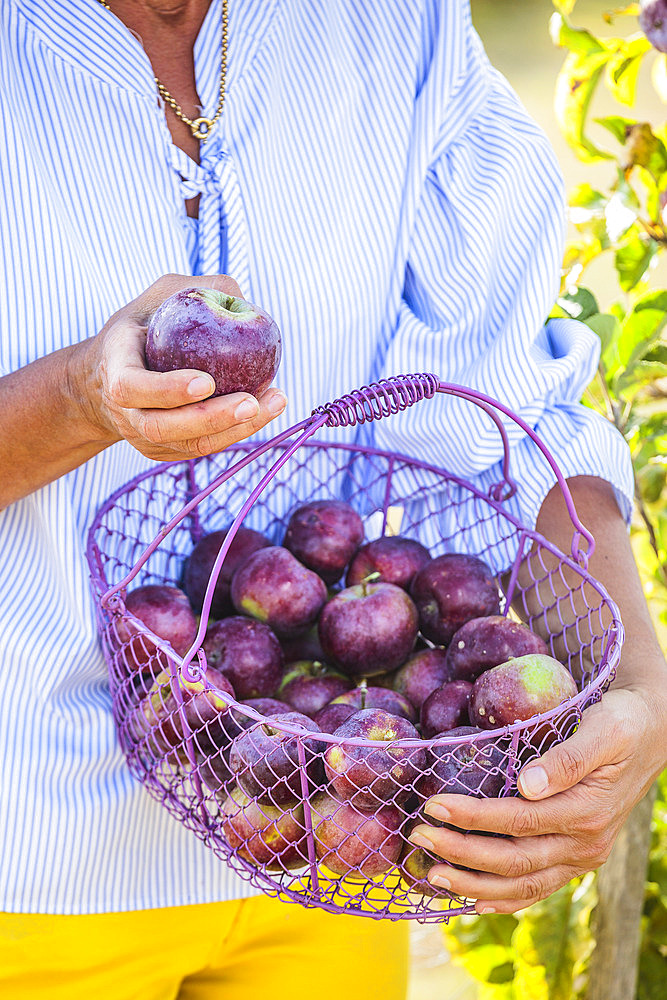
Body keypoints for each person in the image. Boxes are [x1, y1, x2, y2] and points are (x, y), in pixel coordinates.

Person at [0, 0, 665, 997]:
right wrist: (74, 400)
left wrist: (639, 690)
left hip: (334, 830)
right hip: (32, 853)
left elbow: (512, 404)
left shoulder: (396, 25)